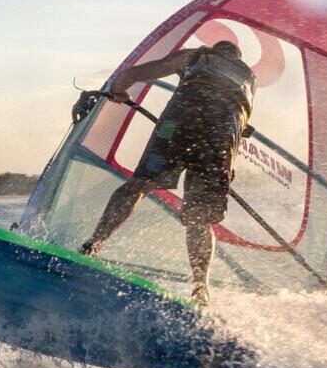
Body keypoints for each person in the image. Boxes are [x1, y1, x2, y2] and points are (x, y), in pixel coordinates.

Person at [75, 40, 255, 306]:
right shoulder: (249, 81)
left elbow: (133, 74)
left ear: (215, 51)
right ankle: (200, 288)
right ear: (237, 60)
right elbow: (241, 123)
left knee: (139, 186)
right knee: (198, 217)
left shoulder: (197, 56)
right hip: (222, 138)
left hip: (177, 123)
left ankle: (94, 244)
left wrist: (116, 89)